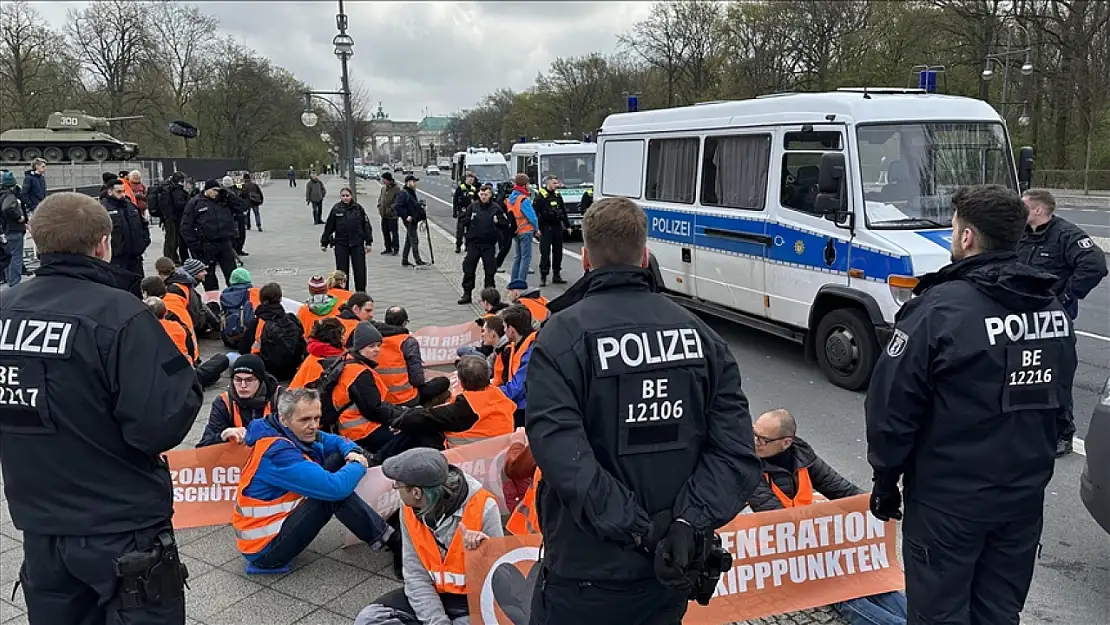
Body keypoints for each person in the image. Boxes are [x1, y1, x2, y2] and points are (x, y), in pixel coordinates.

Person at [524, 196, 762, 624]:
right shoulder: (702, 337)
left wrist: (638, 530)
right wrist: (687, 523)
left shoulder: (560, 337)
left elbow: (564, 458)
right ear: (645, 254)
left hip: (587, 568)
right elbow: (735, 454)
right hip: (671, 567)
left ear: (586, 260)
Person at [865, 185, 1078, 625]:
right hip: (1022, 497)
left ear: (966, 238)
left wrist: (886, 477)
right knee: (999, 611)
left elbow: (892, 409)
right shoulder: (1051, 306)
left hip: (950, 502)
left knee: (940, 614)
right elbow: (1059, 395)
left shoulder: (938, 309)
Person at [1, 192, 203, 623]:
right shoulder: (121, 315)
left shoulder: (4, 310)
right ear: (103, 244)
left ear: (35, 241)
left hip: (40, 522)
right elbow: (158, 426)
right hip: (120, 524)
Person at [751, 409, 907, 625]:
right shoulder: (749, 467)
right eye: (754, 433)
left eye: (763, 439)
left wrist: (875, 504)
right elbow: (775, 519)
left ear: (786, 442)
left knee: (870, 580)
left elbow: (841, 489)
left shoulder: (804, 457)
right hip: (780, 553)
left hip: (810, 543)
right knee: (844, 593)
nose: (754, 441)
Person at [232, 387, 394, 573]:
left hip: (273, 530)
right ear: (284, 419)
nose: (314, 425)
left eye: (317, 418)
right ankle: (389, 540)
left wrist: (352, 452)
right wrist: (358, 464)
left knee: (337, 463)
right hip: (265, 552)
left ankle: (385, 537)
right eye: (306, 420)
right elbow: (336, 489)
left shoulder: (287, 430)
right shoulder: (277, 453)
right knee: (331, 495)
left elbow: (337, 441)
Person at [355, 448, 503, 625]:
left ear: (417, 492)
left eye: (398, 486)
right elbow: (415, 574)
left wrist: (483, 552)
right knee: (369, 619)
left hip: (471, 600)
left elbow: (499, 584)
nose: (397, 491)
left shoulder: (484, 507)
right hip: (431, 592)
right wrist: (437, 621)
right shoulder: (409, 507)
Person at [1017, 188, 1107, 455]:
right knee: (1022, 374)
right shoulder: (1022, 234)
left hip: (1053, 319)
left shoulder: (1066, 235)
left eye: (1024, 206)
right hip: (1021, 316)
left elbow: (1095, 266)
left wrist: (1067, 295)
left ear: (1038, 209)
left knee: (1056, 376)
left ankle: (1062, 434)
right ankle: (1027, 429)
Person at [319, 322, 436, 459]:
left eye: (378, 345)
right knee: (411, 433)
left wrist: (402, 414)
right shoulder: (359, 373)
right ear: (360, 347)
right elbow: (374, 410)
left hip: (351, 428)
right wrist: (401, 419)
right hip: (360, 432)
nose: (377, 350)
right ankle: (377, 459)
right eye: (371, 346)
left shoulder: (350, 363)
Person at [395, 356, 514, 447]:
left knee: (418, 428)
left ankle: (380, 460)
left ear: (461, 382)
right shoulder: (499, 395)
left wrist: (398, 421)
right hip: (498, 451)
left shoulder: (466, 407)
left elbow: (424, 418)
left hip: (466, 455)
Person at [143, 296, 229, 389]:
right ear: (165, 313)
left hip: (157, 377)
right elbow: (190, 352)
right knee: (221, 360)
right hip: (183, 373)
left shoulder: (141, 332)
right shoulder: (178, 327)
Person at [197, 354, 280, 447]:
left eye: (249, 380)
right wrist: (222, 436)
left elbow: (296, 438)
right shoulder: (224, 401)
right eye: (237, 380)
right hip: (237, 457)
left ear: (260, 381)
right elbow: (203, 446)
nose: (243, 385)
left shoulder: (280, 399)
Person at [376, 306, 452, 406]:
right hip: (405, 398)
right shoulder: (407, 342)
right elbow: (417, 380)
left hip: (381, 398)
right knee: (443, 382)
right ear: (405, 323)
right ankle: (426, 405)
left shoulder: (374, 340)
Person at [238, 282, 306, 382]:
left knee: (231, 357)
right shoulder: (292, 319)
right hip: (292, 370)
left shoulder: (257, 322)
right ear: (280, 299)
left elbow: (243, 349)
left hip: (266, 371)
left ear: (261, 299)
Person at [457, 183, 511, 305]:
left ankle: (490, 296)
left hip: (488, 244)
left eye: (486, 194)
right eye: (481, 194)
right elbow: (463, 221)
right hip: (474, 243)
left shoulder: (496, 208)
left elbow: (505, 224)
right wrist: (466, 222)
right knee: (469, 269)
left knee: (490, 271)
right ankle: (467, 293)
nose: (483, 197)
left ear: (490, 195)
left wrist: (498, 222)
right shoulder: (473, 206)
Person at [181, 179, 239, 290]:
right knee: (209, 278)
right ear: (207, 190)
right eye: (214, 190)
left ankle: (235, 298)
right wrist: (196, 246)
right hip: (206, 245)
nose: (216, 193)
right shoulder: (195, 203)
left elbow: (242, 206)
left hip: (224, 242)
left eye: (218, 191)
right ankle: (213, 302)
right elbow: (185, 227)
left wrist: (228, 194)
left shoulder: (223, 200)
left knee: (232, 274)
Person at [321, 186, 374, 292]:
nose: (345, 198)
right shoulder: (336, 209)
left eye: (347, 196)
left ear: (351, 196)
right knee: (342, 271)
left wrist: (368, 242)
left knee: (360, 270)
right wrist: (324, 242)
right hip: (341, 244)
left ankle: (361, 292)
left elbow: (366, 226)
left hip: (357, 243)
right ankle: (343, 292)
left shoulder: (358, 209)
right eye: (343, 196)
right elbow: (329, 227)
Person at [102, 177, 151, 276]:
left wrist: (143, 243)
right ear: (110, 192)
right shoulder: (104, 209)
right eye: (118, 192)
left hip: (135, 258)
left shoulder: (131, 206)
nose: (122, 195)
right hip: (117, 259)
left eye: (123, 191)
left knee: (137, 286)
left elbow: (143, 225)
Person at [499, 305, 536, 428]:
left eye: (504, 327)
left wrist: (491, 394)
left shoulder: (531, 351)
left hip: (526, 409)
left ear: (511, 329)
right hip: (521, 403)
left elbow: (517, 388)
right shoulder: (520, 345)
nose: (503, 331)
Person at [289, 317, 347, 390]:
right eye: (342, 334)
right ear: (333, 337)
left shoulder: (315, 355)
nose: (345, 338)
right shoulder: (321, 363)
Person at [536, 175, 572, 286]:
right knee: (545, 253)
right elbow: (535, 214)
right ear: (548, 183)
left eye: (557, 183)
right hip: (545, 228)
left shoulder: (558, 195)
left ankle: (556, 275)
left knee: (558, 252)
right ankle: (543, 276)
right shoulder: (540, 197)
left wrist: (568, 225)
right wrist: (536, 229)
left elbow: (563, 212)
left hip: (557, 227)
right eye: (554, 183)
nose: (557, 185)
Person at [504, 173, 538, 283]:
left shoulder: (511, 197)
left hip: (515, 230)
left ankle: (514, 281)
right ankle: (521, 283)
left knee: (517, 258)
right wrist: (536, 229)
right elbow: (532, 217)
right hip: (525, 230)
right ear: (525, 185)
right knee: (526, 259)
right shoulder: (523, 199)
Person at [152, 172, 192, 263]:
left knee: (172, 239)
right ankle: (169, 260)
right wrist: (188, 203)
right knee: (172, 240)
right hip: (173, 219)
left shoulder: (170, 189)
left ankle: (172, 258)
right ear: (181, 181)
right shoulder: (176, 190)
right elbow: (179, 205)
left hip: (169, 218)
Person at [1, 170, 28, 286]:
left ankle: (9, 281)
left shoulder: (1, 194)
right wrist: (19, 217)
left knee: (7, 256)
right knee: (16, 257)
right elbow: (8, 208)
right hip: (14, 228)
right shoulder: (10, 195)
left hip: (5, 229)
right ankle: (15, 284)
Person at [395, 174, 427, 267]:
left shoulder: (411, 192)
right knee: (414, 240)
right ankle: (418, 260)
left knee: (409, 240)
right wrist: (406, 216)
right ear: (408, 182)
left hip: (413, 219)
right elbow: (397, 206)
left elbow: (413, 205)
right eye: (413, 181)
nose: (415, 183)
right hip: (409, 220)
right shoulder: (404, 193)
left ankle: (404, 260)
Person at [453, 173, 478, 253]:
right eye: (469, 179)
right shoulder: (460, 188)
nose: (471, 180)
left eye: (472, 179)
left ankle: (468, 246)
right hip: (462, 212)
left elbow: (477, 201)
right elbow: (455, 200)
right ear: (466, 179)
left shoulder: (474, 189)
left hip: (470, 213)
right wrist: (455, 211)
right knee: (460, 231)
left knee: (470, 231)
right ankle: (458, 246)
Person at [378, 172, 401, 256]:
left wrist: (391, 208)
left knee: (394, 232)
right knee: (385, 231)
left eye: (384, 179)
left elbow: (397, 201)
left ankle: (396, 248)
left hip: (392, 215)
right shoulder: (383, 188)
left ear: (389, 180)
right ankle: (388, 248)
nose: (383, 181)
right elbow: (381, 198)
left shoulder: (396, 189)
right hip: (384, 214)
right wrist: (379, 206)